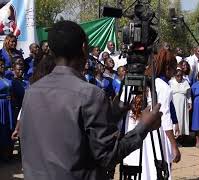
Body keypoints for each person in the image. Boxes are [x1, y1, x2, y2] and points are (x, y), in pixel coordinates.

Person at [19, 21, 163, 180]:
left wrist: (111, 115)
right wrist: (143, 127)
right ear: (83, 48)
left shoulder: (31, 92)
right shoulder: (90, 94)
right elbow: (107, 157)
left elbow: (67, 133)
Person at [123, 48, 181, 180]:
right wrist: (174, 146)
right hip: (154, 136)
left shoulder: (134, 80)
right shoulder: (163, 87)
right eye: (173, 69)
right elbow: (165, 119)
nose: (173, 73)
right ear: (167, 68)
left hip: (134, 134)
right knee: (155, 172)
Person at [11, 55, 57, 142]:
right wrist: (17, 128)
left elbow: (24, 109)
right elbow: (23, 109)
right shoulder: (29, 86)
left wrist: (17, 128)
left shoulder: (31, 86)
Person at [169, 69, 192, 137]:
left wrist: (190, 102)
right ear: (175, 76)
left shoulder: (185, 82)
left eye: (181, 75)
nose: (179, 77)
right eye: (178, 76)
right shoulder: (170, 82)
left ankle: (181, 135)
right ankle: (175, 135)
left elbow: (188, 94)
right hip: (174, 102)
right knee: (175, 118)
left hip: (183, 103)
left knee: (182, 119)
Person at [0, 57, 15, 162]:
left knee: (8, 128)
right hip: (0, 105)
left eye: (2, 65)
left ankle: (7, 154)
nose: (2, 67)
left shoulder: (7, 77)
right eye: (0, 65)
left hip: (8, 106)